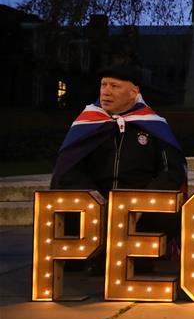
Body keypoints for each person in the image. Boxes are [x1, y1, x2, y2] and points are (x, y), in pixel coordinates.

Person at [51, 66, 187, 267]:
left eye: (115, 86)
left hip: (141, 211)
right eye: (103, 85)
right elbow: (67, 171)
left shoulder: (154, 126)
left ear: (134, 92)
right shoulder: (86, 124)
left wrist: (141, 203)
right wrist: (97, 202)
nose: (106, 92)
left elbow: (172, 172)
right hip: (94, 209)